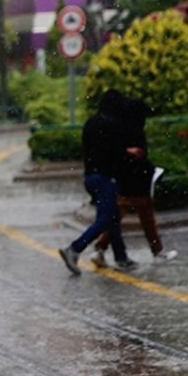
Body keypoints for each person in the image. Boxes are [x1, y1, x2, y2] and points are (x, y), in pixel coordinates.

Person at [91, 96, 177, 266]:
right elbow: (140, 155)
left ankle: (100, 247)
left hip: (124, 180)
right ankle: (157, 251)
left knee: (118, 215)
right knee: (147, 217)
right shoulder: (136, 131)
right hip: (138, 181)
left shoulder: (119, 129)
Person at [59, 90, 138, 275]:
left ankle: (121, 257)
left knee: (112, 218)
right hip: (105, 178)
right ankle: (74, 249)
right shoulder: (113, 125)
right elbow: (116, 154)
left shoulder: (91, 123)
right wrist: (130, 154)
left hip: (90, 177)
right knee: (107, 219)